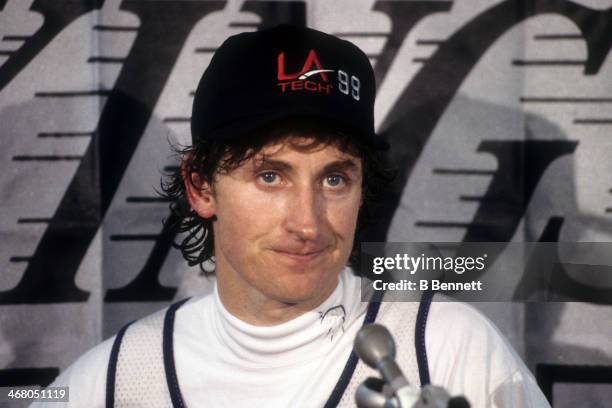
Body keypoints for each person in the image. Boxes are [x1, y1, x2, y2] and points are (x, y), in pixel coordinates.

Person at [34, 25, 550, 408]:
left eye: (334, 178)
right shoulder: (110, 381)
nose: (308, 223)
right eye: (271, 176)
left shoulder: (447, 347)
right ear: (200, 186)